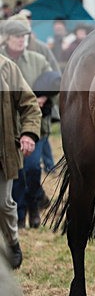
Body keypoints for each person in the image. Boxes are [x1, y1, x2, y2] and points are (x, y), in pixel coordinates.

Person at [0, 19, 60, 229]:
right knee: (15, 173)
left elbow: (54, 84)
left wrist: (44, 97)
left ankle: (34, 205)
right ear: (7, 38)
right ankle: (19, 214)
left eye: (24, 36)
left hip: (36, 125)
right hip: (8, 128)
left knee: (33, 168)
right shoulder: (3, 62)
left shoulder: (38, 59)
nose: (21, 40)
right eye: (17, 36)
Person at [0, 53, 41, 269]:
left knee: (3, 204)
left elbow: (30, 104)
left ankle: (12, 242)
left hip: (3, 152)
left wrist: (28, 133)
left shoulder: (7, 68)